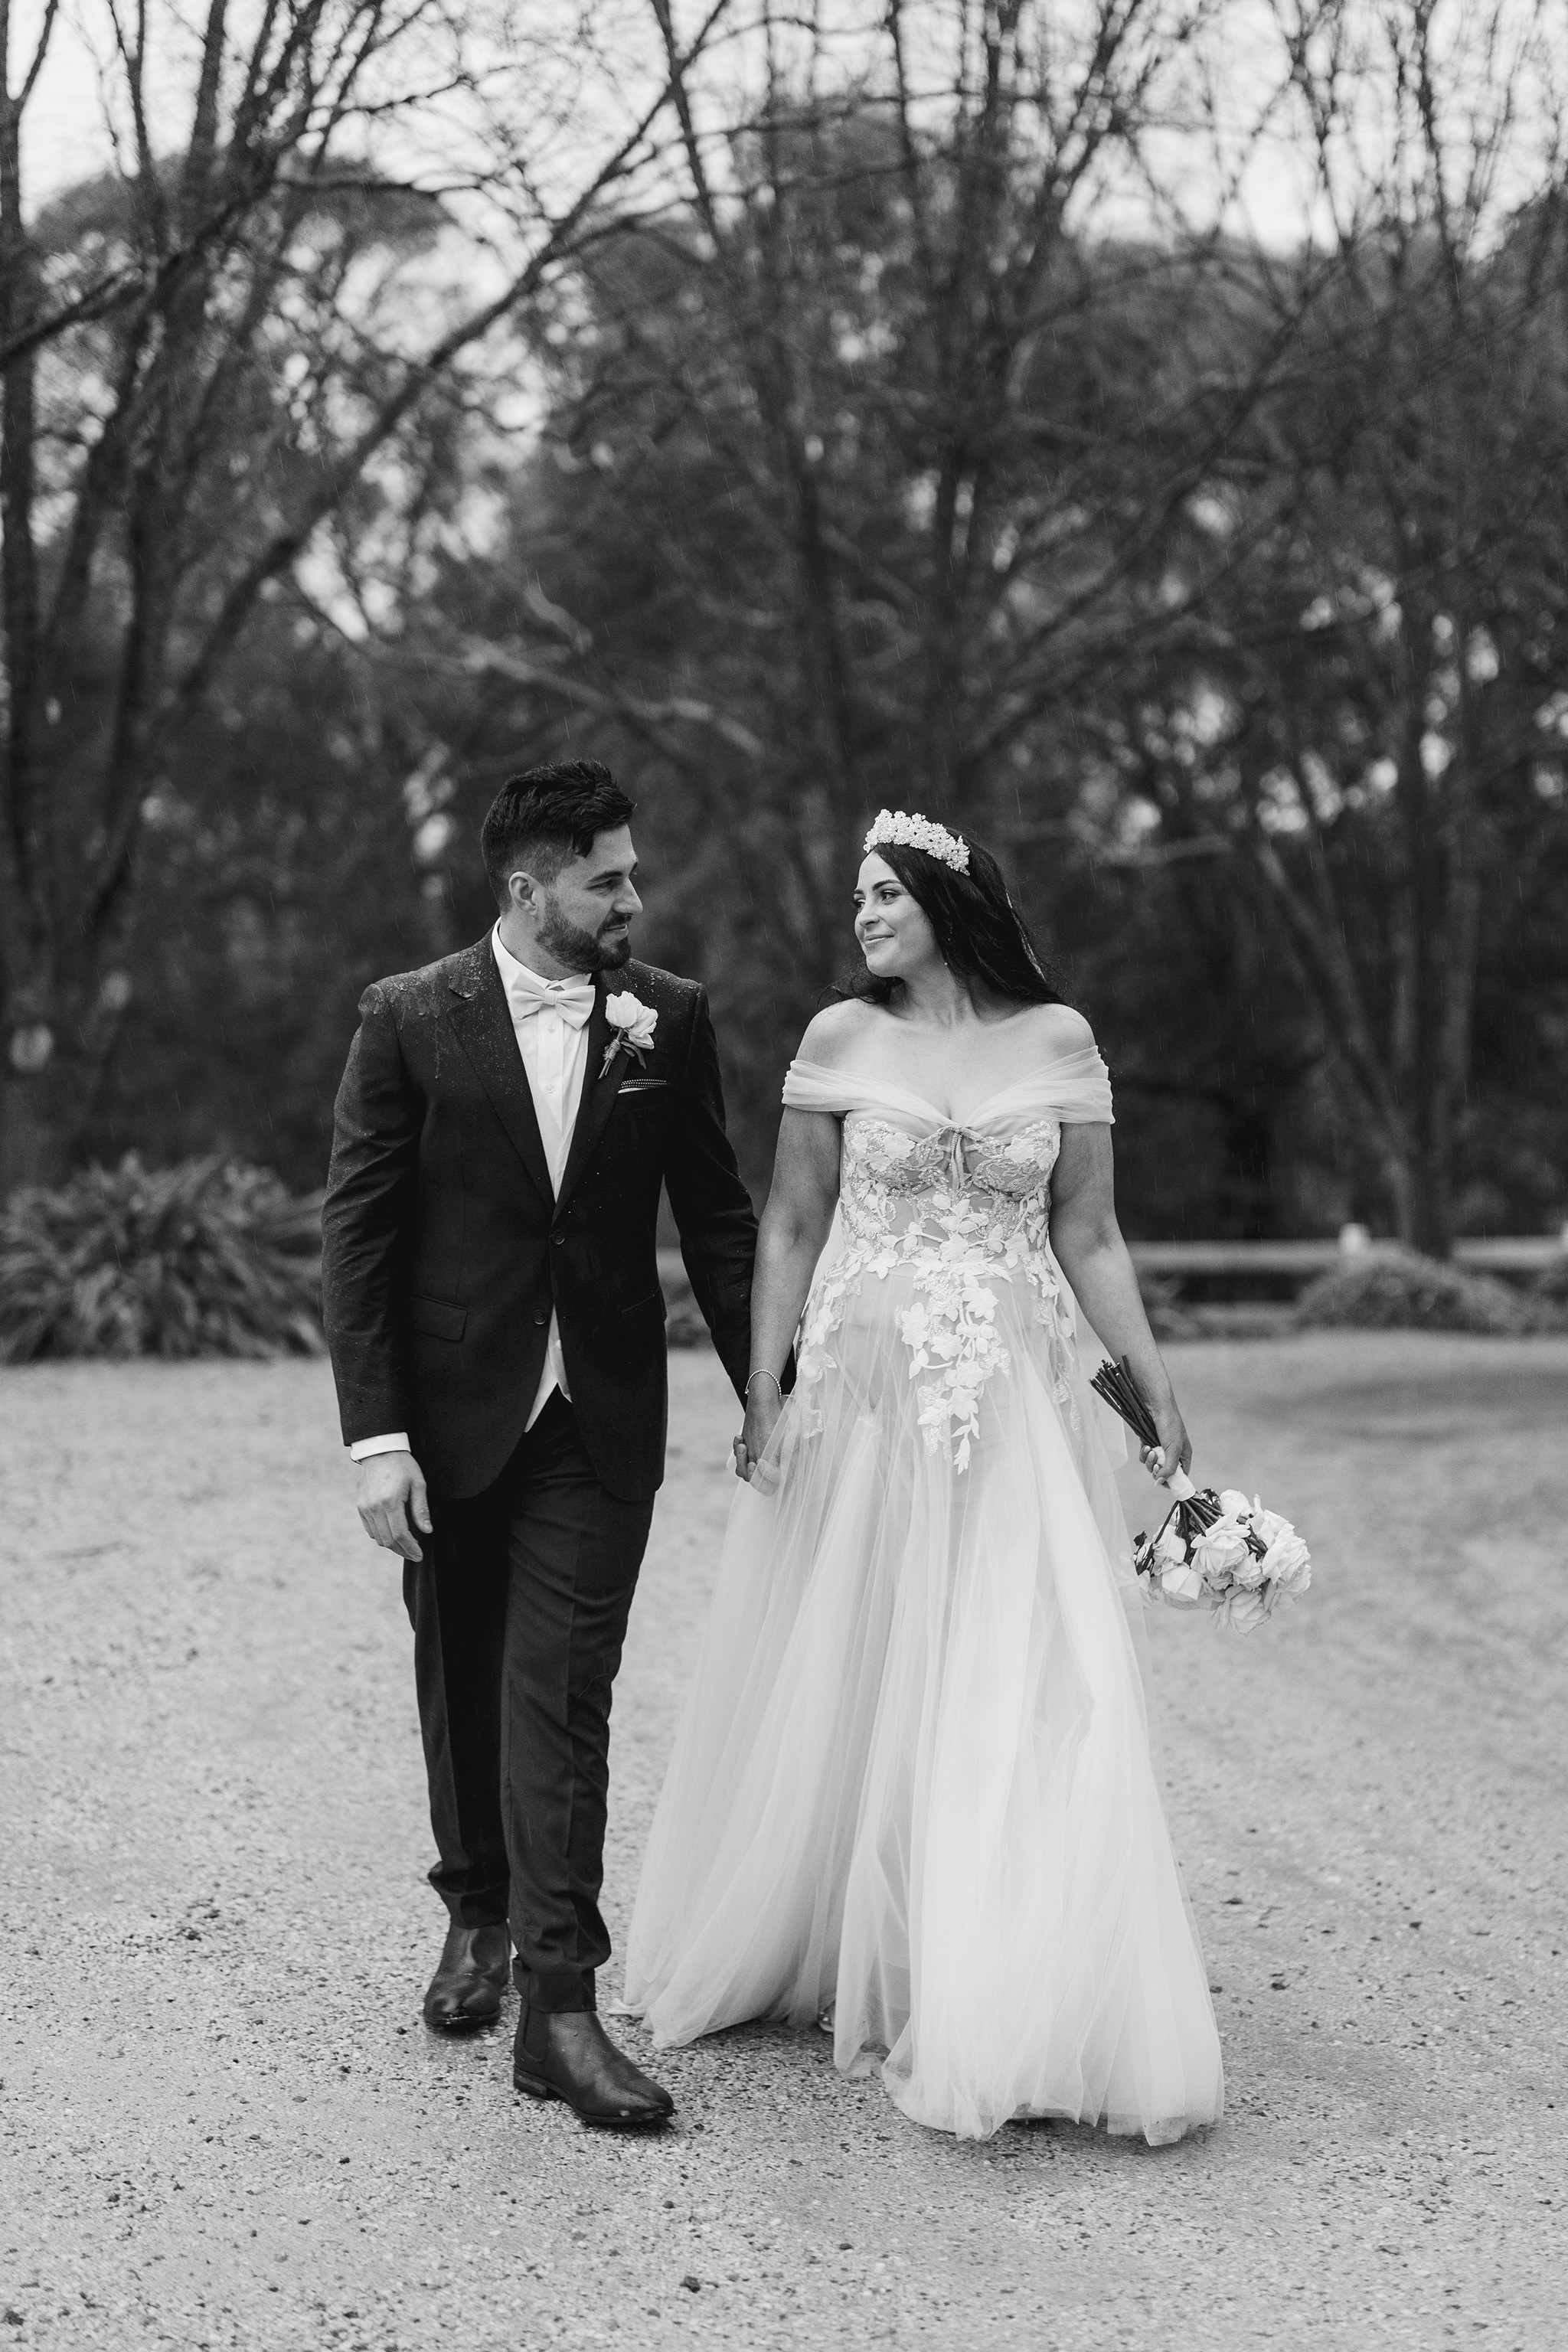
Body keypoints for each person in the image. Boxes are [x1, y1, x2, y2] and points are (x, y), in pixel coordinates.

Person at [626, 808, 1223, 2144]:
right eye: (857, 899)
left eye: (883, 894)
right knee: (865, 1656)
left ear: (948, 902)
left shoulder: (1058, 1042)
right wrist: (765, 1385)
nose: (863, 916)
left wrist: (1152, 1387)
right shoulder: (842, 1040)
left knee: (1025, 1663)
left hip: (1015, 1402)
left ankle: (1008, 1975)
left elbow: (1090, 1232)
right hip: (865, 1402)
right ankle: (862, 1937)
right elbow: (792, 1221)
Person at [321, 760, 758, 2131]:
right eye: (605, 880)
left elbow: (720, 1223)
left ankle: (560, 2009)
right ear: (528, 890)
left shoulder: (670, 1018)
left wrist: (773, 1391)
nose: (634, 901)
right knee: (460, 1677)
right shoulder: (407, 1017)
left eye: (632, 874)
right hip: (447, 1417)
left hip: (599, 1416)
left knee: (563, 1694)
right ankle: (476, 1913)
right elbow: (359, 1239)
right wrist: (376, 1438)